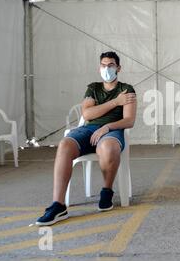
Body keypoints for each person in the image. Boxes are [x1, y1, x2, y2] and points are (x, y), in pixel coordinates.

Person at [36, 51, 137, 226]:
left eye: (111, 65)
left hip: (111, 130)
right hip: (88, 128)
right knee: (65, 145)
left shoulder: (126, 90)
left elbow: (129, 120)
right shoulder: (93, 88)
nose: (107, 68)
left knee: (108, 148)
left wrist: (107, 126)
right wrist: (115, 102)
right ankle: (58, 205)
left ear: (118, 68)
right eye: (104, 65)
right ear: (99, 68)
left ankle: (107, 191)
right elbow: (87, 113)